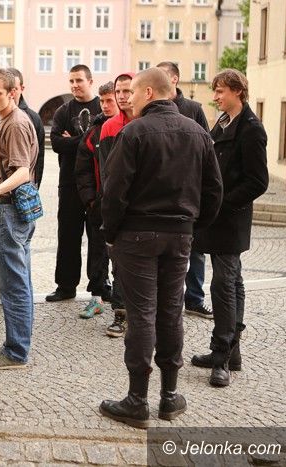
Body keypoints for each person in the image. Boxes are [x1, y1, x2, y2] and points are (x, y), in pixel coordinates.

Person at [99, 67, 223, 429]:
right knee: (170, 312)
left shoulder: (134, 132)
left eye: (134, 93)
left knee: (142, 314)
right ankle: (169, 396)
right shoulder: (198, 133)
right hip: (179, 235)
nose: (129, 99)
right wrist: (191, 226)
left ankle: (137, 400)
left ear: (150, 93)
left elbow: (114, 190)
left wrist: (111, 233)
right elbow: (214, 191)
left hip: (137, 235)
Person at [191, 69, 268, 387]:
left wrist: (222, 202)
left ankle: (221, 355)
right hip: (217, 218)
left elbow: (258, 181)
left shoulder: (251, 129)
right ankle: (231, 353)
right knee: (233, 282)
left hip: (230, 220)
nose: (216, 97)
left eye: (220, 91)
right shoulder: (222, 122)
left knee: (223, 285)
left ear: (237, 91)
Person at [0, 68, 39, 370]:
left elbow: (23, 171)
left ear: (13, 93)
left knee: (12, 283)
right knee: (19, 280)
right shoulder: (9, 119)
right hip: (14, 209)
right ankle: (19, 345)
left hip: (9, 209)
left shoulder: (14, 123)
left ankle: (15, 351)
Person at [157, 61, 213, 320]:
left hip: (190, 188)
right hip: (162, 190)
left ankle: (194, 298)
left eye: (163, 75)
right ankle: (164, 299)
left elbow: (207, 146)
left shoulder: (193, 109)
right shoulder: (151, 108)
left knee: (196, 250)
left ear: (175, 79)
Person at [47, 64, 102, 303]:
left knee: (98, 237)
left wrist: (75, 140)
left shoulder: (101, 107)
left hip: (97, 183)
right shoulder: (63, 111)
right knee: (68, 235)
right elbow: (56, 143)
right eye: (71, 81)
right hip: (69, 182)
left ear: (90, 81)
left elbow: (102, 143)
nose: (74, 85)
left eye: (79, 80)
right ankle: (65, 285)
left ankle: (99, 285)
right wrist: (87, 141)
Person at [74, 81, 117, 318]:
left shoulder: (131, 126)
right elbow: (83, 170)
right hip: (99, 205)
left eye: (110, 100)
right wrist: (90, 199)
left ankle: (122, 302)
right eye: (102, 101)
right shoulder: (94, 132)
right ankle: (96, 297)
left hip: (125, 206)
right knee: (97, 252)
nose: (105, 105)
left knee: (123, 256)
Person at [98, 72, 135, 338]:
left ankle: (144, 315)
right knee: (119, 263)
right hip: (118, 205)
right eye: (118, 91)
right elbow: (106, 171)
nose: (122, 96)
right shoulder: (110, 126)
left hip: (145, 207)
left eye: (127, 91)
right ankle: (120, 313)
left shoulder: (147, 123)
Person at [7, 68, 46, 187]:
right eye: (7, 89)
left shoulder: (33, 118)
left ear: (22, 88)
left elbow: (39, 156)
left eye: (14, 89)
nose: (11, 94)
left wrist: (35, 184)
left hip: (23, 185)